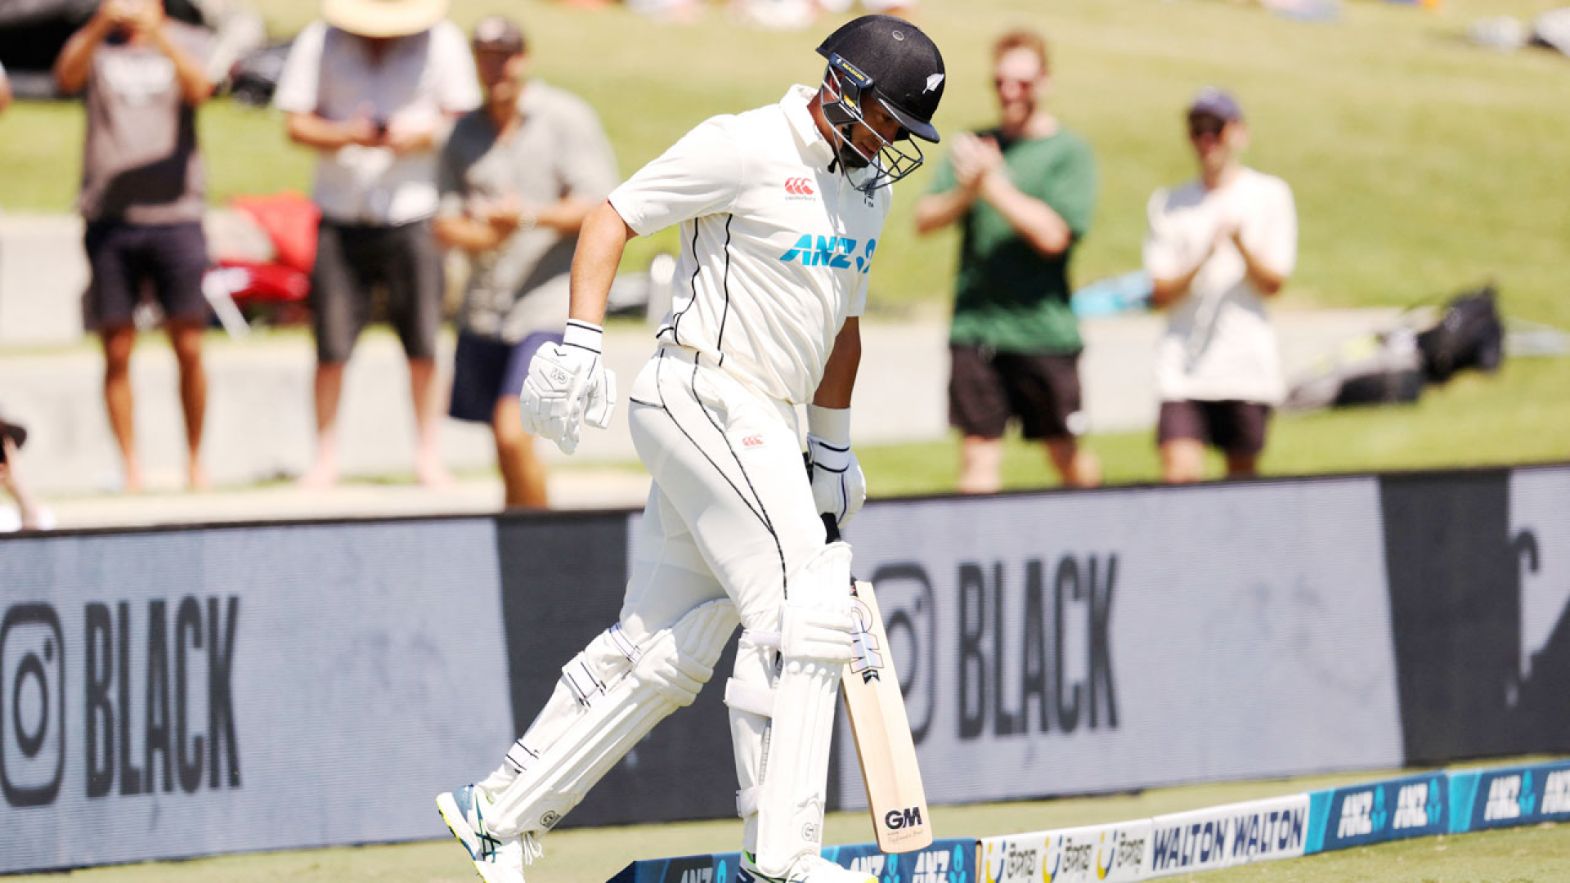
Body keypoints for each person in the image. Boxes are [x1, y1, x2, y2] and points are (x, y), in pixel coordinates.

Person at [435, 15, 945, 883]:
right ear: (845, 90)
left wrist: (831, 450)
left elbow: (843, 329)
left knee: (668, 646)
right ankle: (783, 859)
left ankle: (497, 811)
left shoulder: (869, 189)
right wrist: (582, 342)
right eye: (892, 116)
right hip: (701, 389)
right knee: (802, 602)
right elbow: (611, 217)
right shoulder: (742, 145)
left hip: (766, 423)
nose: (896, 139)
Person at [273, 0, 480, 488]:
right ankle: (325, 457)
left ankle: (428, 454)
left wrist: (423, 136)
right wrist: (346, 134)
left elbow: (465, 120)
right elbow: (294, 122)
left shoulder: (442, 41)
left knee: (423, 340)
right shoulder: (318, 40)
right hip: (341, 210)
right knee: (330, 345)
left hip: (414, 208)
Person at [433, 15, 617, 509]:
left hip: (549, 301)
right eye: (486, 56)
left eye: (506, 54)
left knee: (513, 432)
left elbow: (602, 205)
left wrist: (527, 217)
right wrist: (487, 230)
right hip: (487, 303)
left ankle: (545, 546)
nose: (497, 66)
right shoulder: (462, 134)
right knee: (502, 441)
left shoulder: (564, 118)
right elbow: (446, 223)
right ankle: (524, 533)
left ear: (525, 57)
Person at [913, 28, 1101, 493]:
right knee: (977, 456)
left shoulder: (1068, 153)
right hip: (976, 330)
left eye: (1022, 82)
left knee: (1064, 454)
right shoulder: (976, 143)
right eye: (1000, 82)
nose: (1010, 92)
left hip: (1043, 331)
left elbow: (1054, 236)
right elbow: (925, 218)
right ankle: (976, 560)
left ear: (1045, 82)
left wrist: (991, 184)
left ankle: (1105, 536)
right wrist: (967, 188)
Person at [54, 0, 214, 492]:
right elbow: (65, 80)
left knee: (188, 345)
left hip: (177, 216)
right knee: (117, 349)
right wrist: (101, 24)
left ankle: (194, 464)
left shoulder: (190, 39)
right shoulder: (97, 44)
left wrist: (160, 37)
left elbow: (202, 89)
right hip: (110, 218)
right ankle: (131, 468)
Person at [1142, 88, 1297, 482]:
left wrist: (1241, 245)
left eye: (1215, 129)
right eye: (1198, 130)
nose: (1207, 139)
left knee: (1242, 482)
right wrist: (1203, 256)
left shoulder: (1270, 194)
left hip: (1245, 366)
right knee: (1178, 475)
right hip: (1182, 368)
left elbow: (1274, 282)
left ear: (1238, 133)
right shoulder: (1169, 202)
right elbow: (1158, 292)